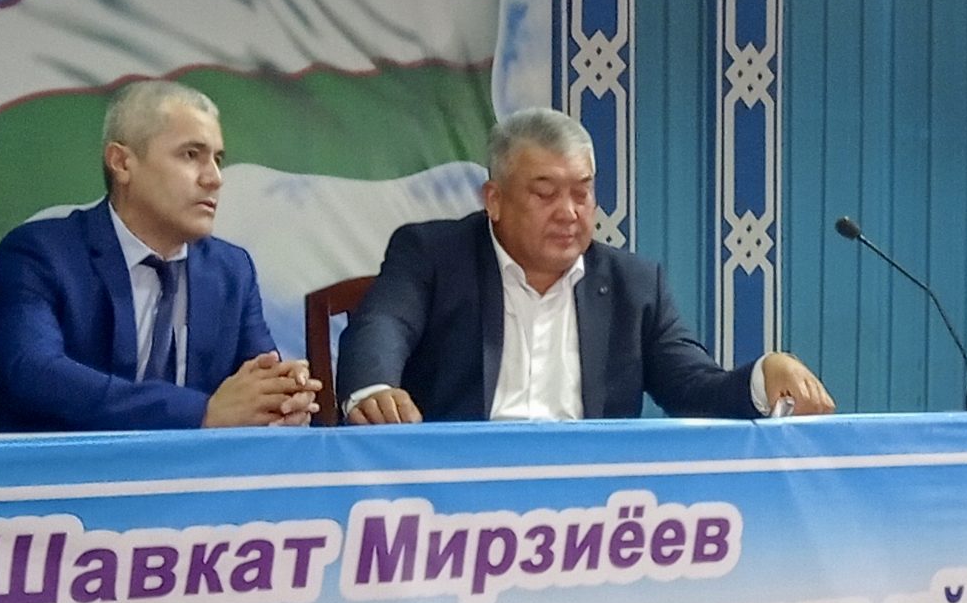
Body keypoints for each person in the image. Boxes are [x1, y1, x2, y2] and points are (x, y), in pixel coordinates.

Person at [338, 108, 833, 424]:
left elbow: (692, 387)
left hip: (589, 511)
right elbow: (383, 324)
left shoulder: (634, 285)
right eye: (545, 193)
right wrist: (375, 388)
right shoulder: (432, 254)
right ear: (495, 199)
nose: (569, 212)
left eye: (582, 192)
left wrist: (762, 376)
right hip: (454, 499)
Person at [0, 79, 319, 431]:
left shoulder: (231, 270)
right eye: (191, 155)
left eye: (218, 159)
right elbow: (33, 372)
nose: (214, 178)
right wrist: (200, 413)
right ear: (122, 163)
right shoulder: (41, 252)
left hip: (198, 466)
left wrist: (281, 396)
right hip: (68, 464)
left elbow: (257, 376)